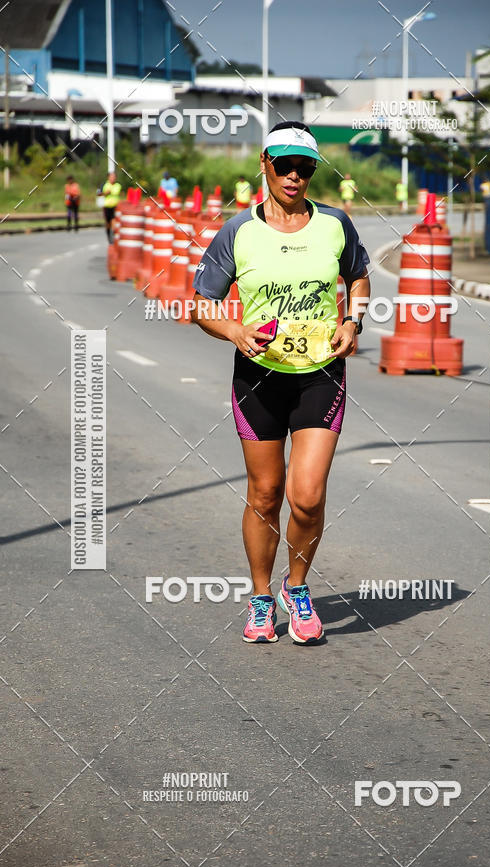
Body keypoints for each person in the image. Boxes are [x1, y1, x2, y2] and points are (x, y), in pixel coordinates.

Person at [191, 121, 370, 645]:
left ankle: (298, 588)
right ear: (264, 163)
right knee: (265, 494)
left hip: (321, 374)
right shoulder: (238, 231)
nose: (295, 176)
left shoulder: (336, 225)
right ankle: (261, 597)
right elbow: (202, 303)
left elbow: (358, 275)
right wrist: (233, 329)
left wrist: (352, 321)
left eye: (305, 167)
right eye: (285, 165)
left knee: (307, 497)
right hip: (258, 377)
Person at [101, 172, 121, 243]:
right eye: (111, 177)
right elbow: (101, 193)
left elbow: (116, 192)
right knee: (108, 222)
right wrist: (105, 193)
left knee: (113, 221)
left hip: (115, 206)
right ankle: (108, 234)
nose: (113, 178)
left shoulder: (118, 185)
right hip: (107, 206)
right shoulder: (105, 185)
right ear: (108, 177)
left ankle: (113, 235)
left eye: (114, 177)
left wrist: (109, 192)